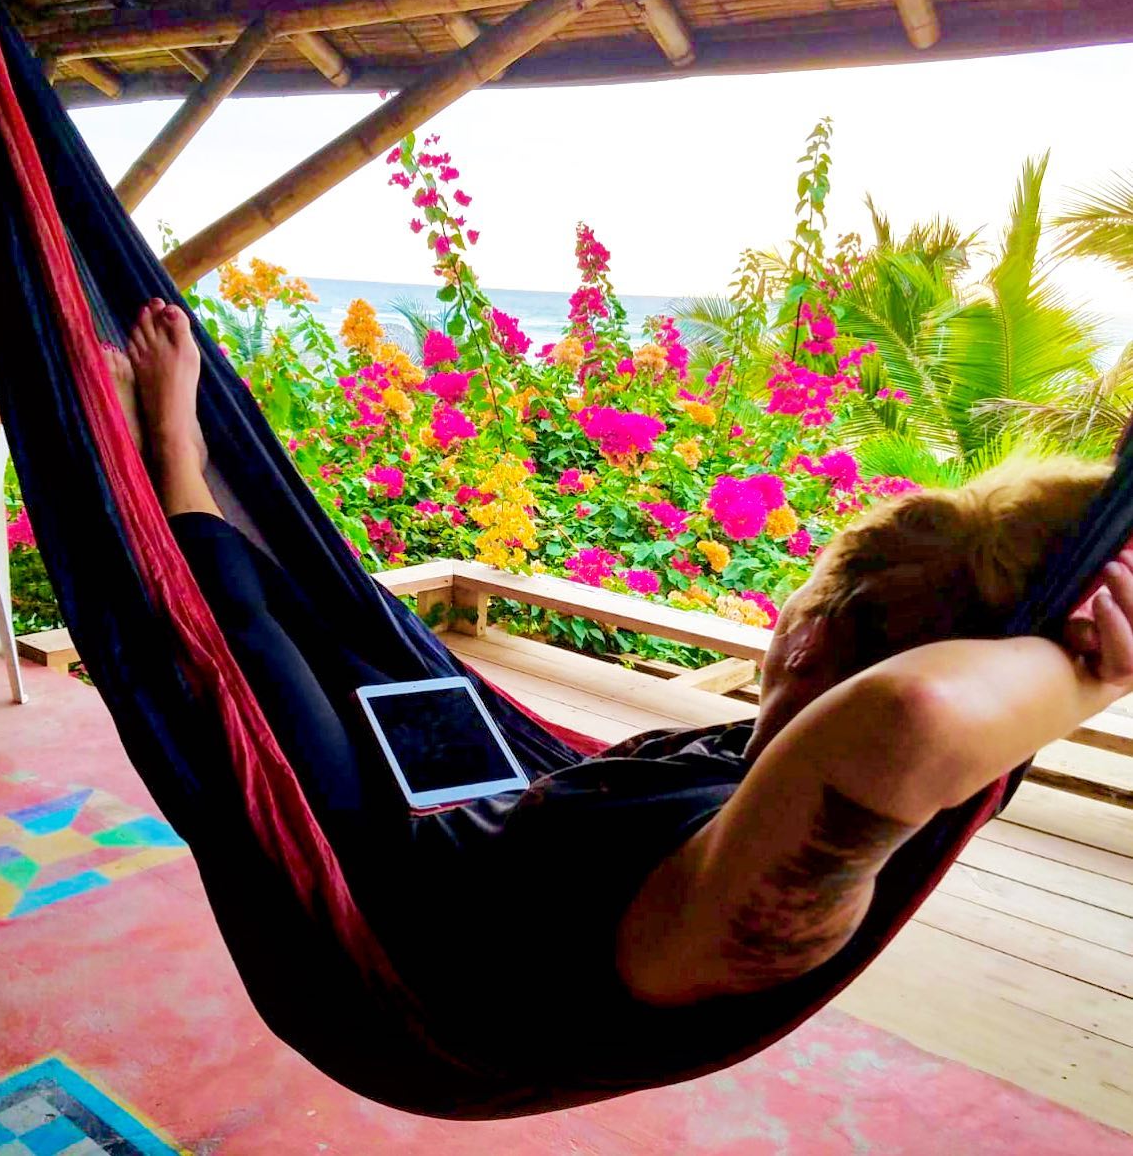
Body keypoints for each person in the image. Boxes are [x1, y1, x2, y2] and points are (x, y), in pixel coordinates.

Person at [109, 297, 1133, 1042]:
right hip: (490, 822)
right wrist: (1068, 641)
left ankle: (173, 450)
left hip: (387, 916)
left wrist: (1095, 677)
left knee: (246, 647)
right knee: (351, 640)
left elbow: (913, 713)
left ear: (812, 635)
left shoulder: (765, 887)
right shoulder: (876, 784)